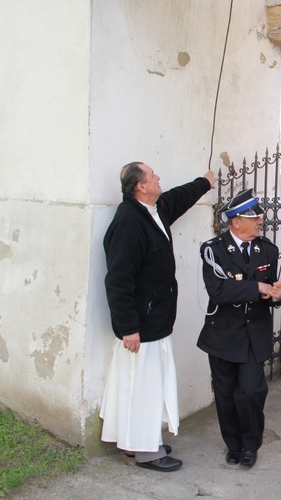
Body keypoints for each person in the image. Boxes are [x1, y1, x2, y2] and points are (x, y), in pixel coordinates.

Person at [100, 161, 216, 472]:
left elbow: (179, 197)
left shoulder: (154, 209)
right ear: (141, 186)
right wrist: (128, 327)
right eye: (153, 175)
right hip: (141, 325)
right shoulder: (128, 223)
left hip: (153, 319)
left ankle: (135, 442)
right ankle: (146, 451)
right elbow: (118, 279)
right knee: (144, 388)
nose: (159, 177)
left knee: (141, 385)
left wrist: (204, 182)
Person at [197, 189, 281, 469]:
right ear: (236, 221)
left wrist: (278, 294)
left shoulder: (268, 250)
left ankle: (251, 445)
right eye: (255, 217)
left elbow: (274, 287)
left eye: (259, 216)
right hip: (223, 334)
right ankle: (233, 445)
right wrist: (255, 287)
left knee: (250, 391)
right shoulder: (213, 250)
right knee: (225, 394)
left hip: (253, 334)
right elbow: (219, 290)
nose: (261, 221)